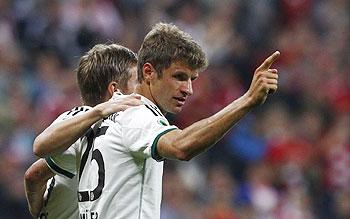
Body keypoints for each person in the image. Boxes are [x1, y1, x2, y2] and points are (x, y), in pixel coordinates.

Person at [74, 22, 280, 219]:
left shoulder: (100, 118)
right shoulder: (138, 113)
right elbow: (181, 146)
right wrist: (247, 101)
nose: (188, 90)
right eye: (179, 77)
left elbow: (40, 171)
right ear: (148, 72)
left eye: (192, 79)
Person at [24, 43, 142, 219]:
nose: (141, 88)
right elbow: (35, 168)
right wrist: (99, 111)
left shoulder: (115, 126)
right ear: (115, 90)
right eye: (136, 81)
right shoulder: (87, 119)